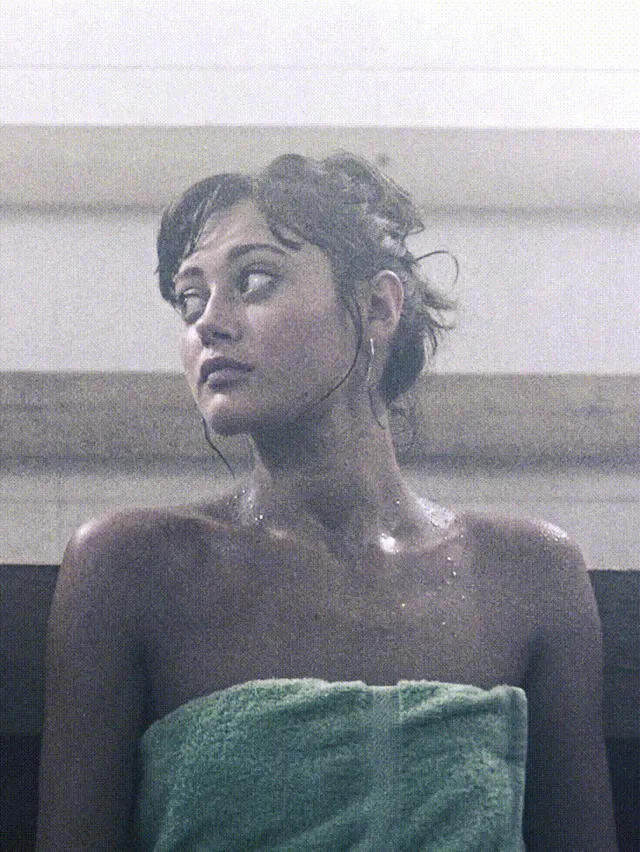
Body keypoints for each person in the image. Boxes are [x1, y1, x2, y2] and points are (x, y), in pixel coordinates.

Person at [36, 153, 618, 851]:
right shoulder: (129, 567)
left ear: (377, 307)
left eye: (255, 281)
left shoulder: (530, 573)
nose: (208, 324)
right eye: (190, 300)